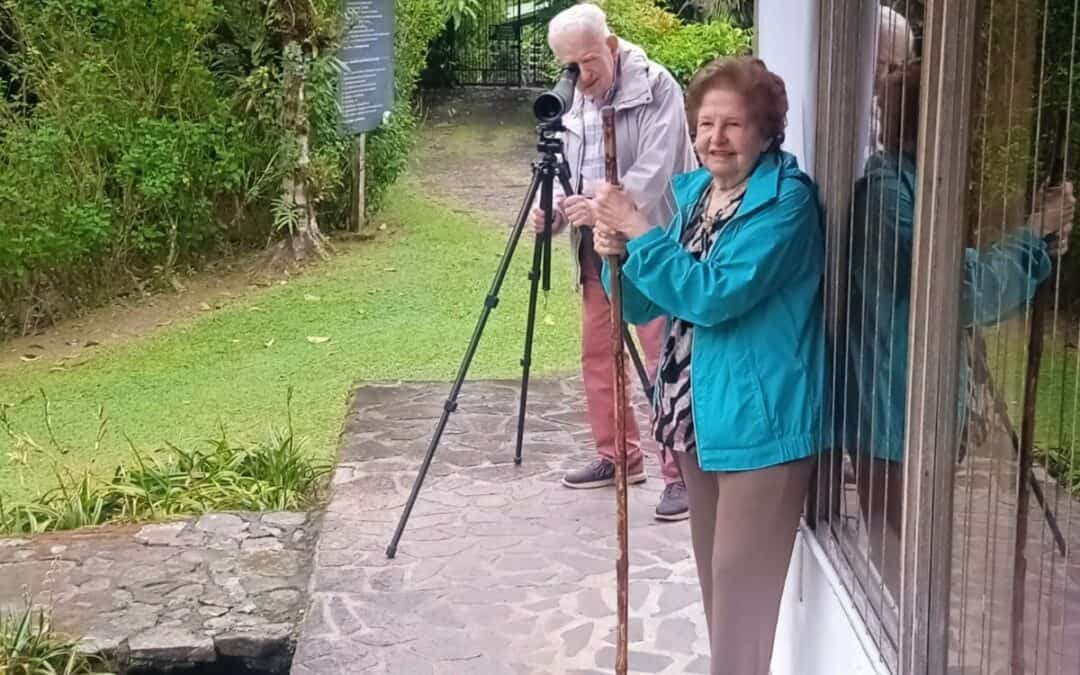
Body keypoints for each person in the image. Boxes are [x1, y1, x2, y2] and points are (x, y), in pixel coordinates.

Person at [593, 57, 824, 675]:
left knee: (740, 595)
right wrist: (616, 256)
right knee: (717, 589)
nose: (715, 139)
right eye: (705, 124)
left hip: (761, 425)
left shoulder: (787, 204)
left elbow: (713, 295)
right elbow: (655, 298)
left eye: (734, 125)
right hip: (696, 416)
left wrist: (641, 233)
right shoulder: (697, 193)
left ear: (767, 130)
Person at [840, 60, 1076, 597]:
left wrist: (1036, 244)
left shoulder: (913, 185)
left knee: (910, 559)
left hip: (907, 412)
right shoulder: (886, 196)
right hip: (893, 417)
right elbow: (959, 292)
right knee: (902, 568)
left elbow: (959, 266)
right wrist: (1033, 235)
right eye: (969, 120)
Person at [532, 3, 698, 520]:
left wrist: (601, 204)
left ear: (611, 44)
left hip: (653, 241)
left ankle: (681, 475)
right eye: (569, 66)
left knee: (662, 356)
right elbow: (569, 174)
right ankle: (618, 457)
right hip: (596, 246)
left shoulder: (657, 86)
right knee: (599, 354)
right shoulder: (571, 95)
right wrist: (556, 214)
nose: (580, 77)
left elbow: (655, 172)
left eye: (587, 63)